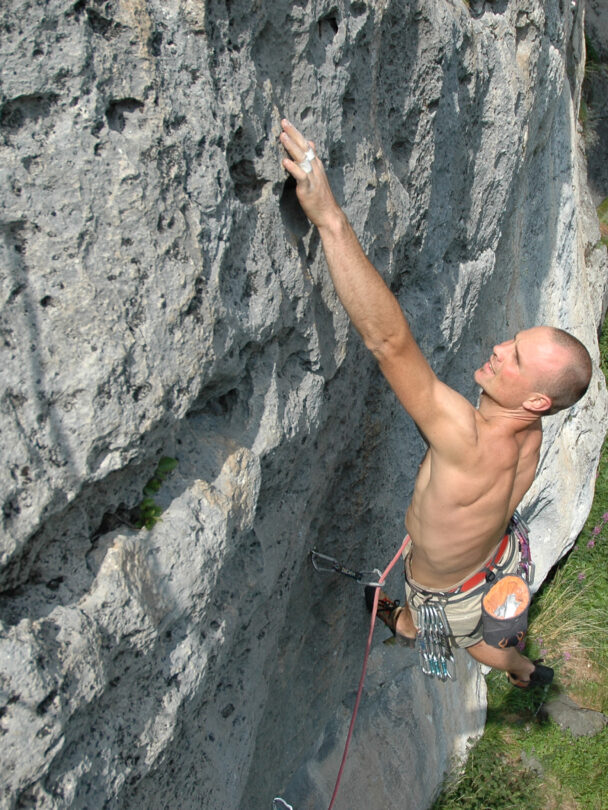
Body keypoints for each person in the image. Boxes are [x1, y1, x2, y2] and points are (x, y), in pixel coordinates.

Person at [279, 118, 593, 688]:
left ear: (538, 399)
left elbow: (389, 342)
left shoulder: (466, 437)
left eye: (515, 359)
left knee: (424, 627)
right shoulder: (533, 431)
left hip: (444, 590)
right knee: (479, 644)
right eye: (513, 341)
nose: (498, 350)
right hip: (490, 567)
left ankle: (393, 617)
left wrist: (329, 219)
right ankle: (524, 669)